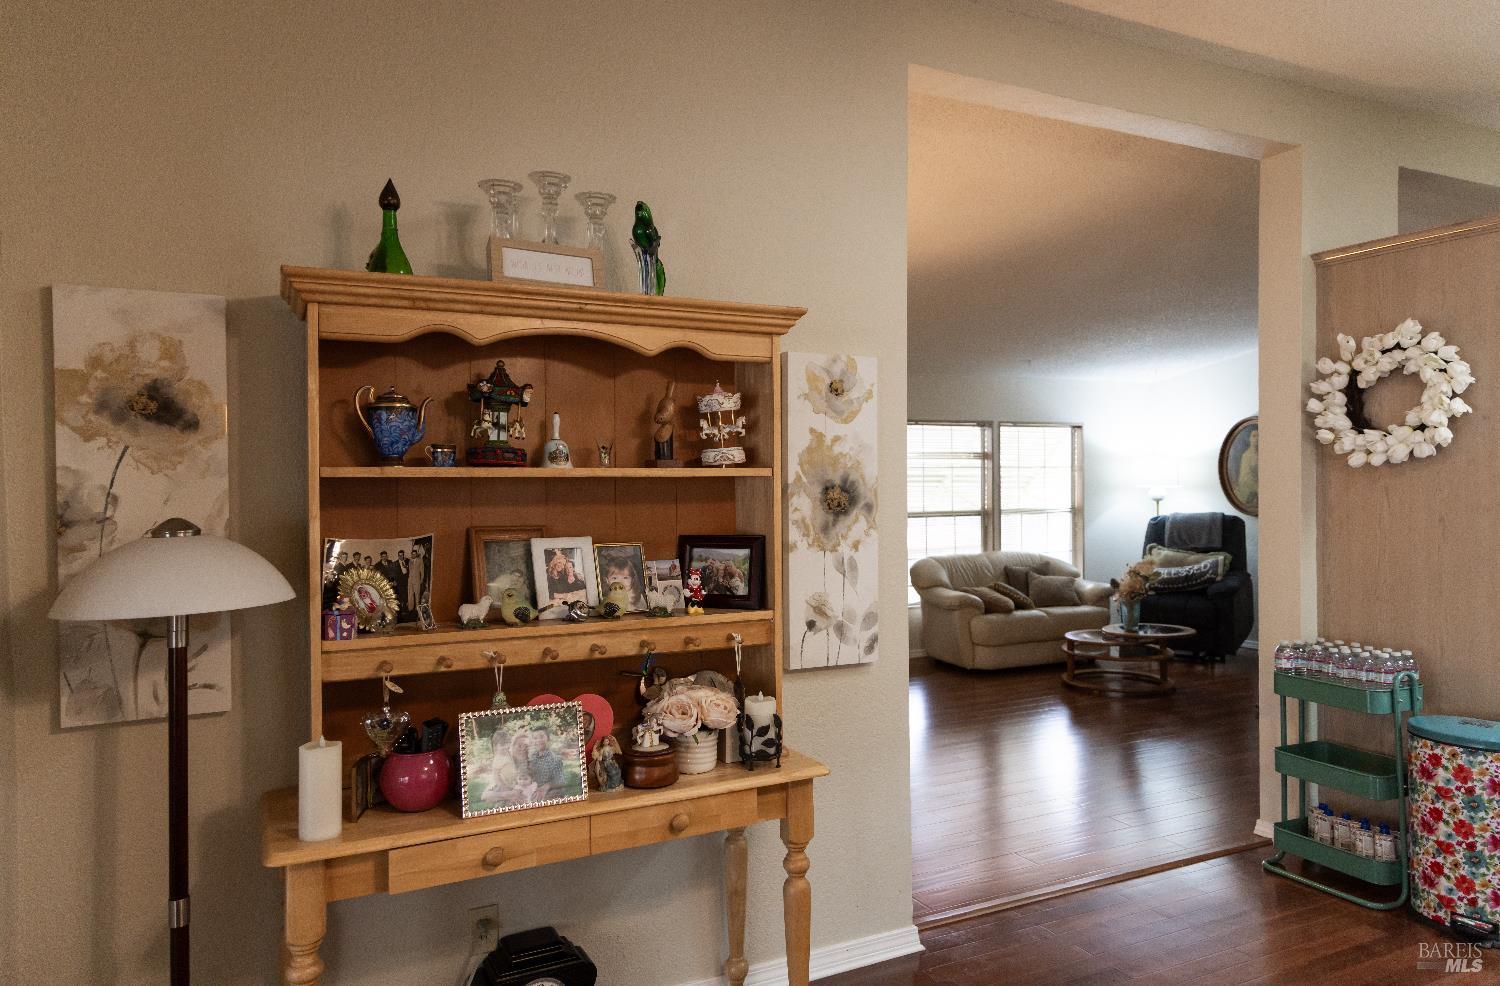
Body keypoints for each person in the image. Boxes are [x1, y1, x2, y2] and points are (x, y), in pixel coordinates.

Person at [527, 724, 565, 801]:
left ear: (548, 738)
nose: (538, 740)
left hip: (550, 793)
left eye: (541, 737)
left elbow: (560, 780)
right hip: (533, 791)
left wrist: (547, 786)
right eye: (535, 738)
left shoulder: (555, 759)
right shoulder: (532, 757)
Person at [406, 543, 426, 614]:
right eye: (412, 554)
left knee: (417, 594)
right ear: (411, 554)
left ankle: (417, 608)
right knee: (410, 594)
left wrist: (421, 579)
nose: (413, 555)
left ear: (416, 554)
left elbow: (422, 571)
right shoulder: (410, 561)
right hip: (410, 580)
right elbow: (409, 571)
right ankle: (410, 608)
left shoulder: (420, 560)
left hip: (417, 580)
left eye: (414, 554)